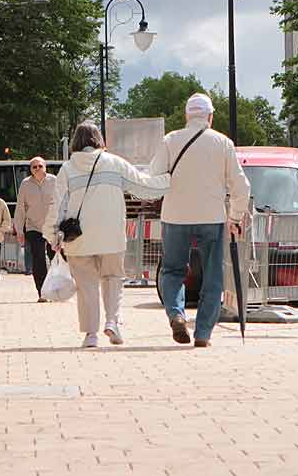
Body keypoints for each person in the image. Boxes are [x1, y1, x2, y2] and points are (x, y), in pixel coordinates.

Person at [43, 121, 170, 348]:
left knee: (87, 286)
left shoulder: (68, 168)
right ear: (99, 140)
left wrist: (52, 235)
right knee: (113, 280)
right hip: (112, 236)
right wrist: (170, 180)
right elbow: (144, 186)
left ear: (75, 142)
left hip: (79, 239)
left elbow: (58, 205)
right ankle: (112, 322)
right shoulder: (114, 163)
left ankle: (90, 335)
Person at [150, 93, 250, 348]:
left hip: (175, 216)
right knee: (213, 274)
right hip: (212, 217)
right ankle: (203, 333)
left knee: (172, 270)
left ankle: (176, 313)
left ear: (186, 116)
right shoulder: (223, 143)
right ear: (210, 116)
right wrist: (235, 217)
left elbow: (153, 177)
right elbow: (241, 186)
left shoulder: (170, 140)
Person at [14, 157, 57, 302]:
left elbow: (64, 202)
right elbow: (20, 208)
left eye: (40, 166)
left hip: (53, 227)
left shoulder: (55, 181)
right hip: (34, 227)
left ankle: (57, 289)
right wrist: (19, 230)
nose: (37, 169)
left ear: (45, 167)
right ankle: (42, 292)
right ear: (30, 170)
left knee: (56, 258)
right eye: (34, 167)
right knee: (38, 259)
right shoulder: (25, 184)